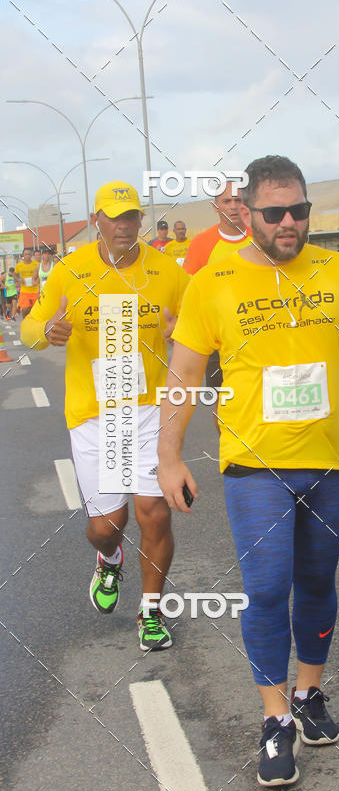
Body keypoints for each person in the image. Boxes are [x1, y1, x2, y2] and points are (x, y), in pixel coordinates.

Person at [157, 155, 339, 787]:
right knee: (268, 587)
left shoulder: (338, 271)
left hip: (326, 463)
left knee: (317, 582)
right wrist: (168, 456)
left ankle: (310, 695)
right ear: (247, 212)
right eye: (275, 212)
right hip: (254, 467)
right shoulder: (214, 282)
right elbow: (184, 374)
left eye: (299, 211)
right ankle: (275, 717)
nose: (289, 222)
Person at [21, 181, 189, 651]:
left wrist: (186, 329)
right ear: (97, 220)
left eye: (131, 216)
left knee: (154, 514)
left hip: (150, 410)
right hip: (96, 415)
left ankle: (150, 613)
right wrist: (46, 332)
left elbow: (201, 319)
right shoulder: (72, 270)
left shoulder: (165, 270)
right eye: (113, 216)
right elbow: (32, 326)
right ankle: (109, 558)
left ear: (140, 220)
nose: (123, 225)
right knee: (106, 525)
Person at [183, 182, 254, 401]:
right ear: (215, 207)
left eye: (238, 200)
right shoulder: (201, 243)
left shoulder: (261, 237)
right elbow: (188, 291)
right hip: (217, 340)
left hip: (259, 331)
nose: (233, 206)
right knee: (220, 401)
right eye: (227, 201)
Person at [14, 247, 40, 318]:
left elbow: (41, 274)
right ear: (23, 255)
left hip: (35, 291)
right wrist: (19, 280)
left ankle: (32, 324)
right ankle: (25, 322)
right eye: (26, 254)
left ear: (31, 255)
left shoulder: (36, 264)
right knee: (25, 308)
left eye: (29, 254)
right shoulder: (19, 265)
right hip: (24, 291)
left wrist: (36, 281)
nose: (28, 256)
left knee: (34, 310)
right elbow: (14, 274)